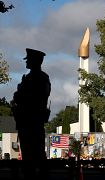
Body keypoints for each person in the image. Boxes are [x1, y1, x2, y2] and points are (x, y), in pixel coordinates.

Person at [11, 48, 51, 179]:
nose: (26, 62)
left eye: (28, 60)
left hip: (31, 121)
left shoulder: (37, 78)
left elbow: (29, 98)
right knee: (32, 153)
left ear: (35, 61)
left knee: (32, 153)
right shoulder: (38, 78)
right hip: (29, 121)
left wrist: (20, 93)